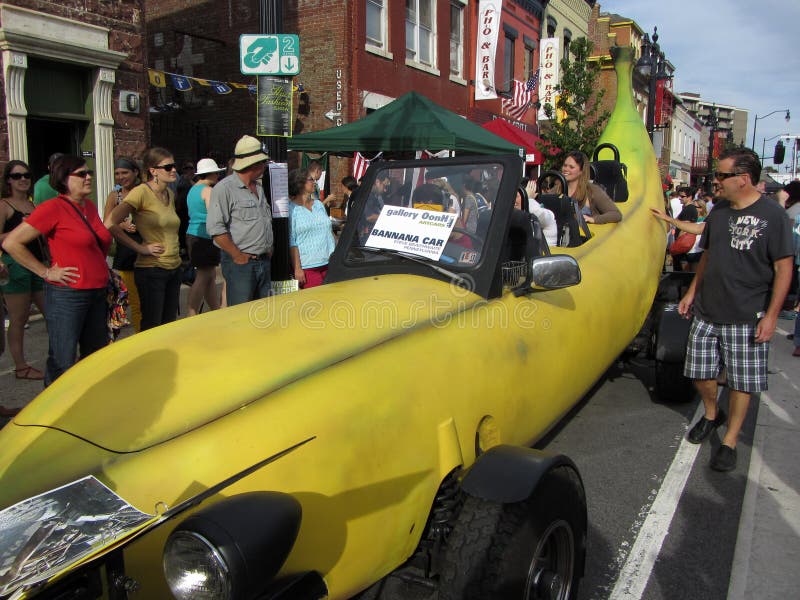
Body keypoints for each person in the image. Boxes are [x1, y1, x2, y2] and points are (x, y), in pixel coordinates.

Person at [678, 148, 793, 471]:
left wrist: (772, 316)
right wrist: (691, 292)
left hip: (747, 314)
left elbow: (784, 268)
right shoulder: (718, 212)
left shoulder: (773, 216)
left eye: (721, 175)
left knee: (742, 382)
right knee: (699, 373)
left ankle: (729, 441)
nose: (715, 181)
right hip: (707, 309)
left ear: (743, 179)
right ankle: (712, 413)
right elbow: (708, 255)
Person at [2, 155, 111, 386]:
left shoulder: (89, 207)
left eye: (89, 172)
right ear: (63, 179)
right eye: (82, 174)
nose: (89, 177)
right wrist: (45, 272)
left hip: (97, 291)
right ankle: (55, 405)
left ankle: (87, 399)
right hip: (68, 294)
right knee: (62, 359)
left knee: (95, 356)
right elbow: (12, 242)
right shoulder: (53, 208)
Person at [106, 147, 182, 331]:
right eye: (168, 167)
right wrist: (140, 248)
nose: (173, 170)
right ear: (153, 170)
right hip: (152, 270)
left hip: (173, 267)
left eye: (174, 166)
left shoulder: (170, 194)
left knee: (169, 325)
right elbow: (109, 222)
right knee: (152, 327)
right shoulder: (141, 192)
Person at [206, 135, 273, 306]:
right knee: (241, 314)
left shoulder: (258, 187)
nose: (265, 165)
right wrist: (238, 256)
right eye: (263, 162)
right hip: (241, 264)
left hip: (262, 261)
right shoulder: (224, 189)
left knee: (264, 313)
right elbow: (215, 229)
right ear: (254, 164)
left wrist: (268, 248)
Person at [0, 160, 46, 380]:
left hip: (38, 263)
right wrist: (21, 229)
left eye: (27, 175)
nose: (23, 180)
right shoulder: (4, 205)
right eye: (17, 176)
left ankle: (60, 357)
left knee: (52, 313)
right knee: (19, 318)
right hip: (15, 264)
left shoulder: (32, 205)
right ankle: (21, 366)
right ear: (8, 180)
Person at [103, 158, 142, 330]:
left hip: (147, 249)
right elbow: (106, 223)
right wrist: (122, 225)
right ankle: (140, 334)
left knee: (147, 299)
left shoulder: (144, 191)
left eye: (124, 172)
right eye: (117, 173)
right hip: (126, 253)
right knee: (134, 299)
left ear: (135, 172)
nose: (121, 177)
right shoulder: (115, 196)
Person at [185, 158, 224, 315]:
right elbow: (213, 214)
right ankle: (192, 311)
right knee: (204, 275)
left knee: (210, 275)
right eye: (216, 173)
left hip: (193, 234)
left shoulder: (193, 189)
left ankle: (214, 309)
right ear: (211, 173)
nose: (218, 176)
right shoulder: (208, 190)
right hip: (204, 236)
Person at [288, 169, 336, 288]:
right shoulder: (291, 209)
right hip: (308, 267)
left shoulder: (319, 205)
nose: (314, 182)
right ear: (300, 183)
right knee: (317, 298)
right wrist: (297, 268)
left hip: (330, 263)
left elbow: (328, 231)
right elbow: (292, 241)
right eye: (311, 179)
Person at [561, 151, 622, 224]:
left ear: (581, 171)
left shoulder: (592, 190)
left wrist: (593, 219)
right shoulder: (557, 189)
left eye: (571, 167)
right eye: (565, 165)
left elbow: (616, 214)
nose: (566, 169)